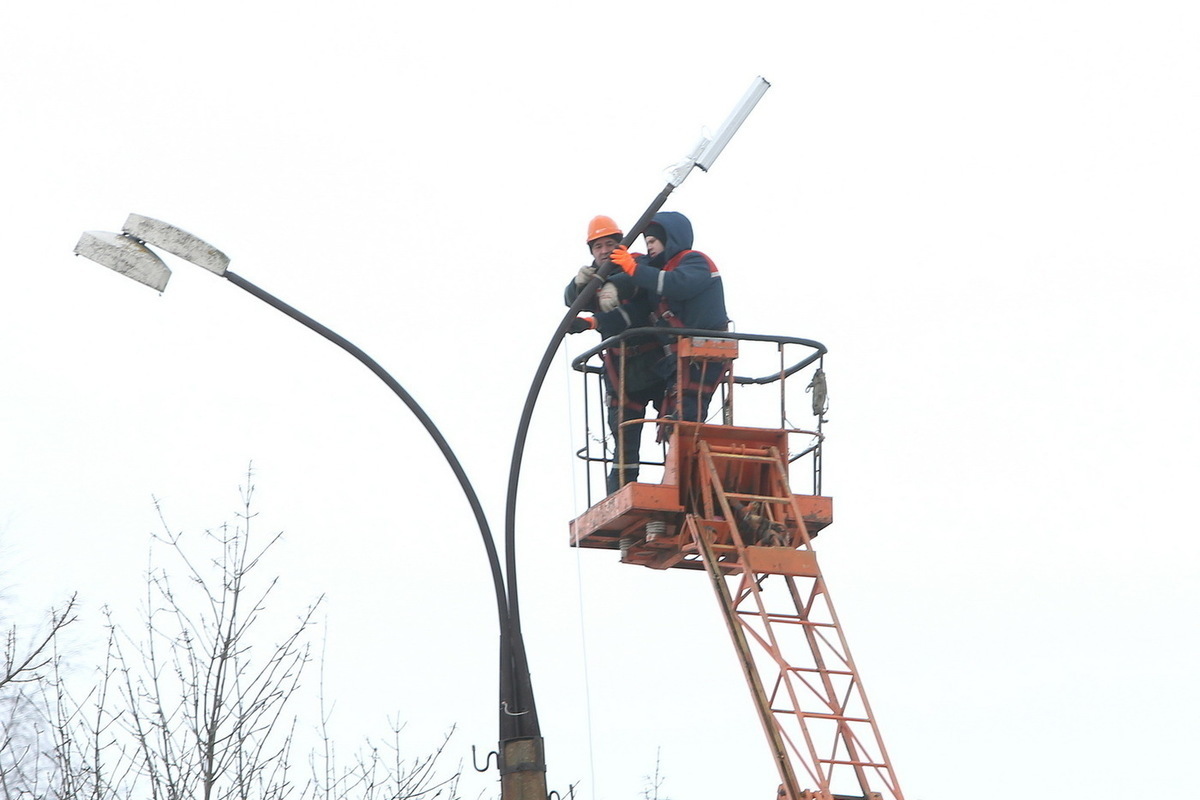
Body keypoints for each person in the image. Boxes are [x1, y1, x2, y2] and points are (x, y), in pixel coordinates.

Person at [565, 216, 665, 493]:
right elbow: (569, 299)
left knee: (673, 423)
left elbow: (636, 301)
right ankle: (621, 491)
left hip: (653, 361)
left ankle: (679, 482)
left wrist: (614, 287)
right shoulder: (594, 276)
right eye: (598, 246)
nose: (604, 250)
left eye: (610, 243)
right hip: (621, 370)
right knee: (624, 434)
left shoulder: (637, 264)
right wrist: (579, 285)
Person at [608, 211, 730, 426]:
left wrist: (633, 269)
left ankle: (687, 450)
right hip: (682, 357)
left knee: (687, 411)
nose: (649, 247)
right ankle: (680, 448)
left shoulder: (695, 261)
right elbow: (639, 307)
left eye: (653, 241)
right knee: (674, 414)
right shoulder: (659, 272)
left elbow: (677, 284)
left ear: (670, 239)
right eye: (647, 242)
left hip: (705, 351)